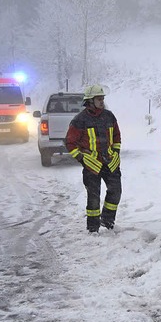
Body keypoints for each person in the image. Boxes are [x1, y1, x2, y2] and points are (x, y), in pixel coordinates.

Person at [66, 84, 122, 233]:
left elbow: (116, 135)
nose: (102, 101)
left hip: (110, 162)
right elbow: (70, 143)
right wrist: (81, 158)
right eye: (99, 99)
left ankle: (108, 220)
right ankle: (93, 227)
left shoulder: (109, 116)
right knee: (93, 197)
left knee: (116, 191)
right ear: (90, 101)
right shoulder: (80, 120)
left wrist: (116, 151)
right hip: (92, 166)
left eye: (102, 98)